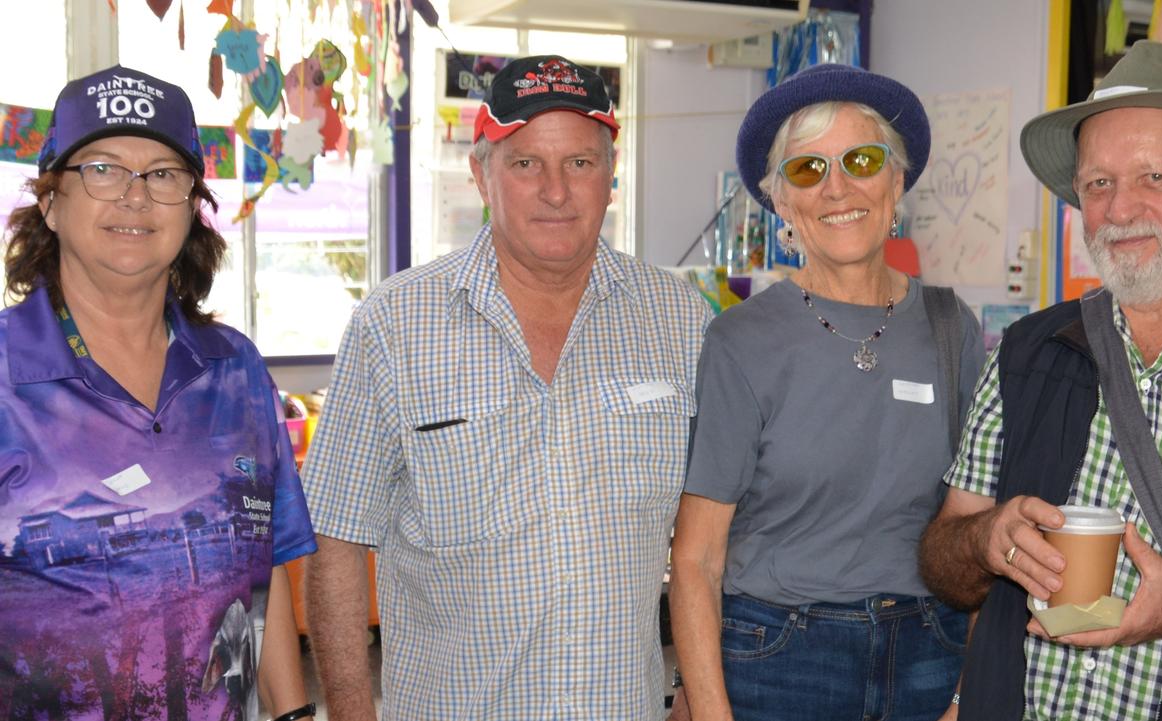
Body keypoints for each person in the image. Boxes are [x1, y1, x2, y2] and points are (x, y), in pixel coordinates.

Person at [300, 54, 711, 721]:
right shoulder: (395, 325)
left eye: (579, 162)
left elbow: (719, 533)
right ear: (482, 175)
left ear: (611, 175)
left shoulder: (679, 319)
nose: (556, 191)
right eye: (525, 164)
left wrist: (698, 693)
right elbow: (337, 541)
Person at [918, 40, 1162, 721]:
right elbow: (943, 554)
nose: (1119, 211)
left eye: (1155, 178)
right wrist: (985, 537)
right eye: (1099, 183)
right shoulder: (1027, 352)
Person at [668, 63, 984, 721]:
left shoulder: (953, 330)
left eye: (861, 160)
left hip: (929, 652)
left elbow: (978, 534)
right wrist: (711, 712)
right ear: (780, 200)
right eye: (807, 170)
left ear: (898, 180)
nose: (836, 187)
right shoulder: (740, 341)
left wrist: (966, 692)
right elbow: (697, 559)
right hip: (780, 660)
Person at [0, 66, 316, 721]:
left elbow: (269, 568)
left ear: (192, 206)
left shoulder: (236, 371)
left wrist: (294, 715)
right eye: (103, 169)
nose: (135, 197)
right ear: (52, 201)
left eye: (163, 175)